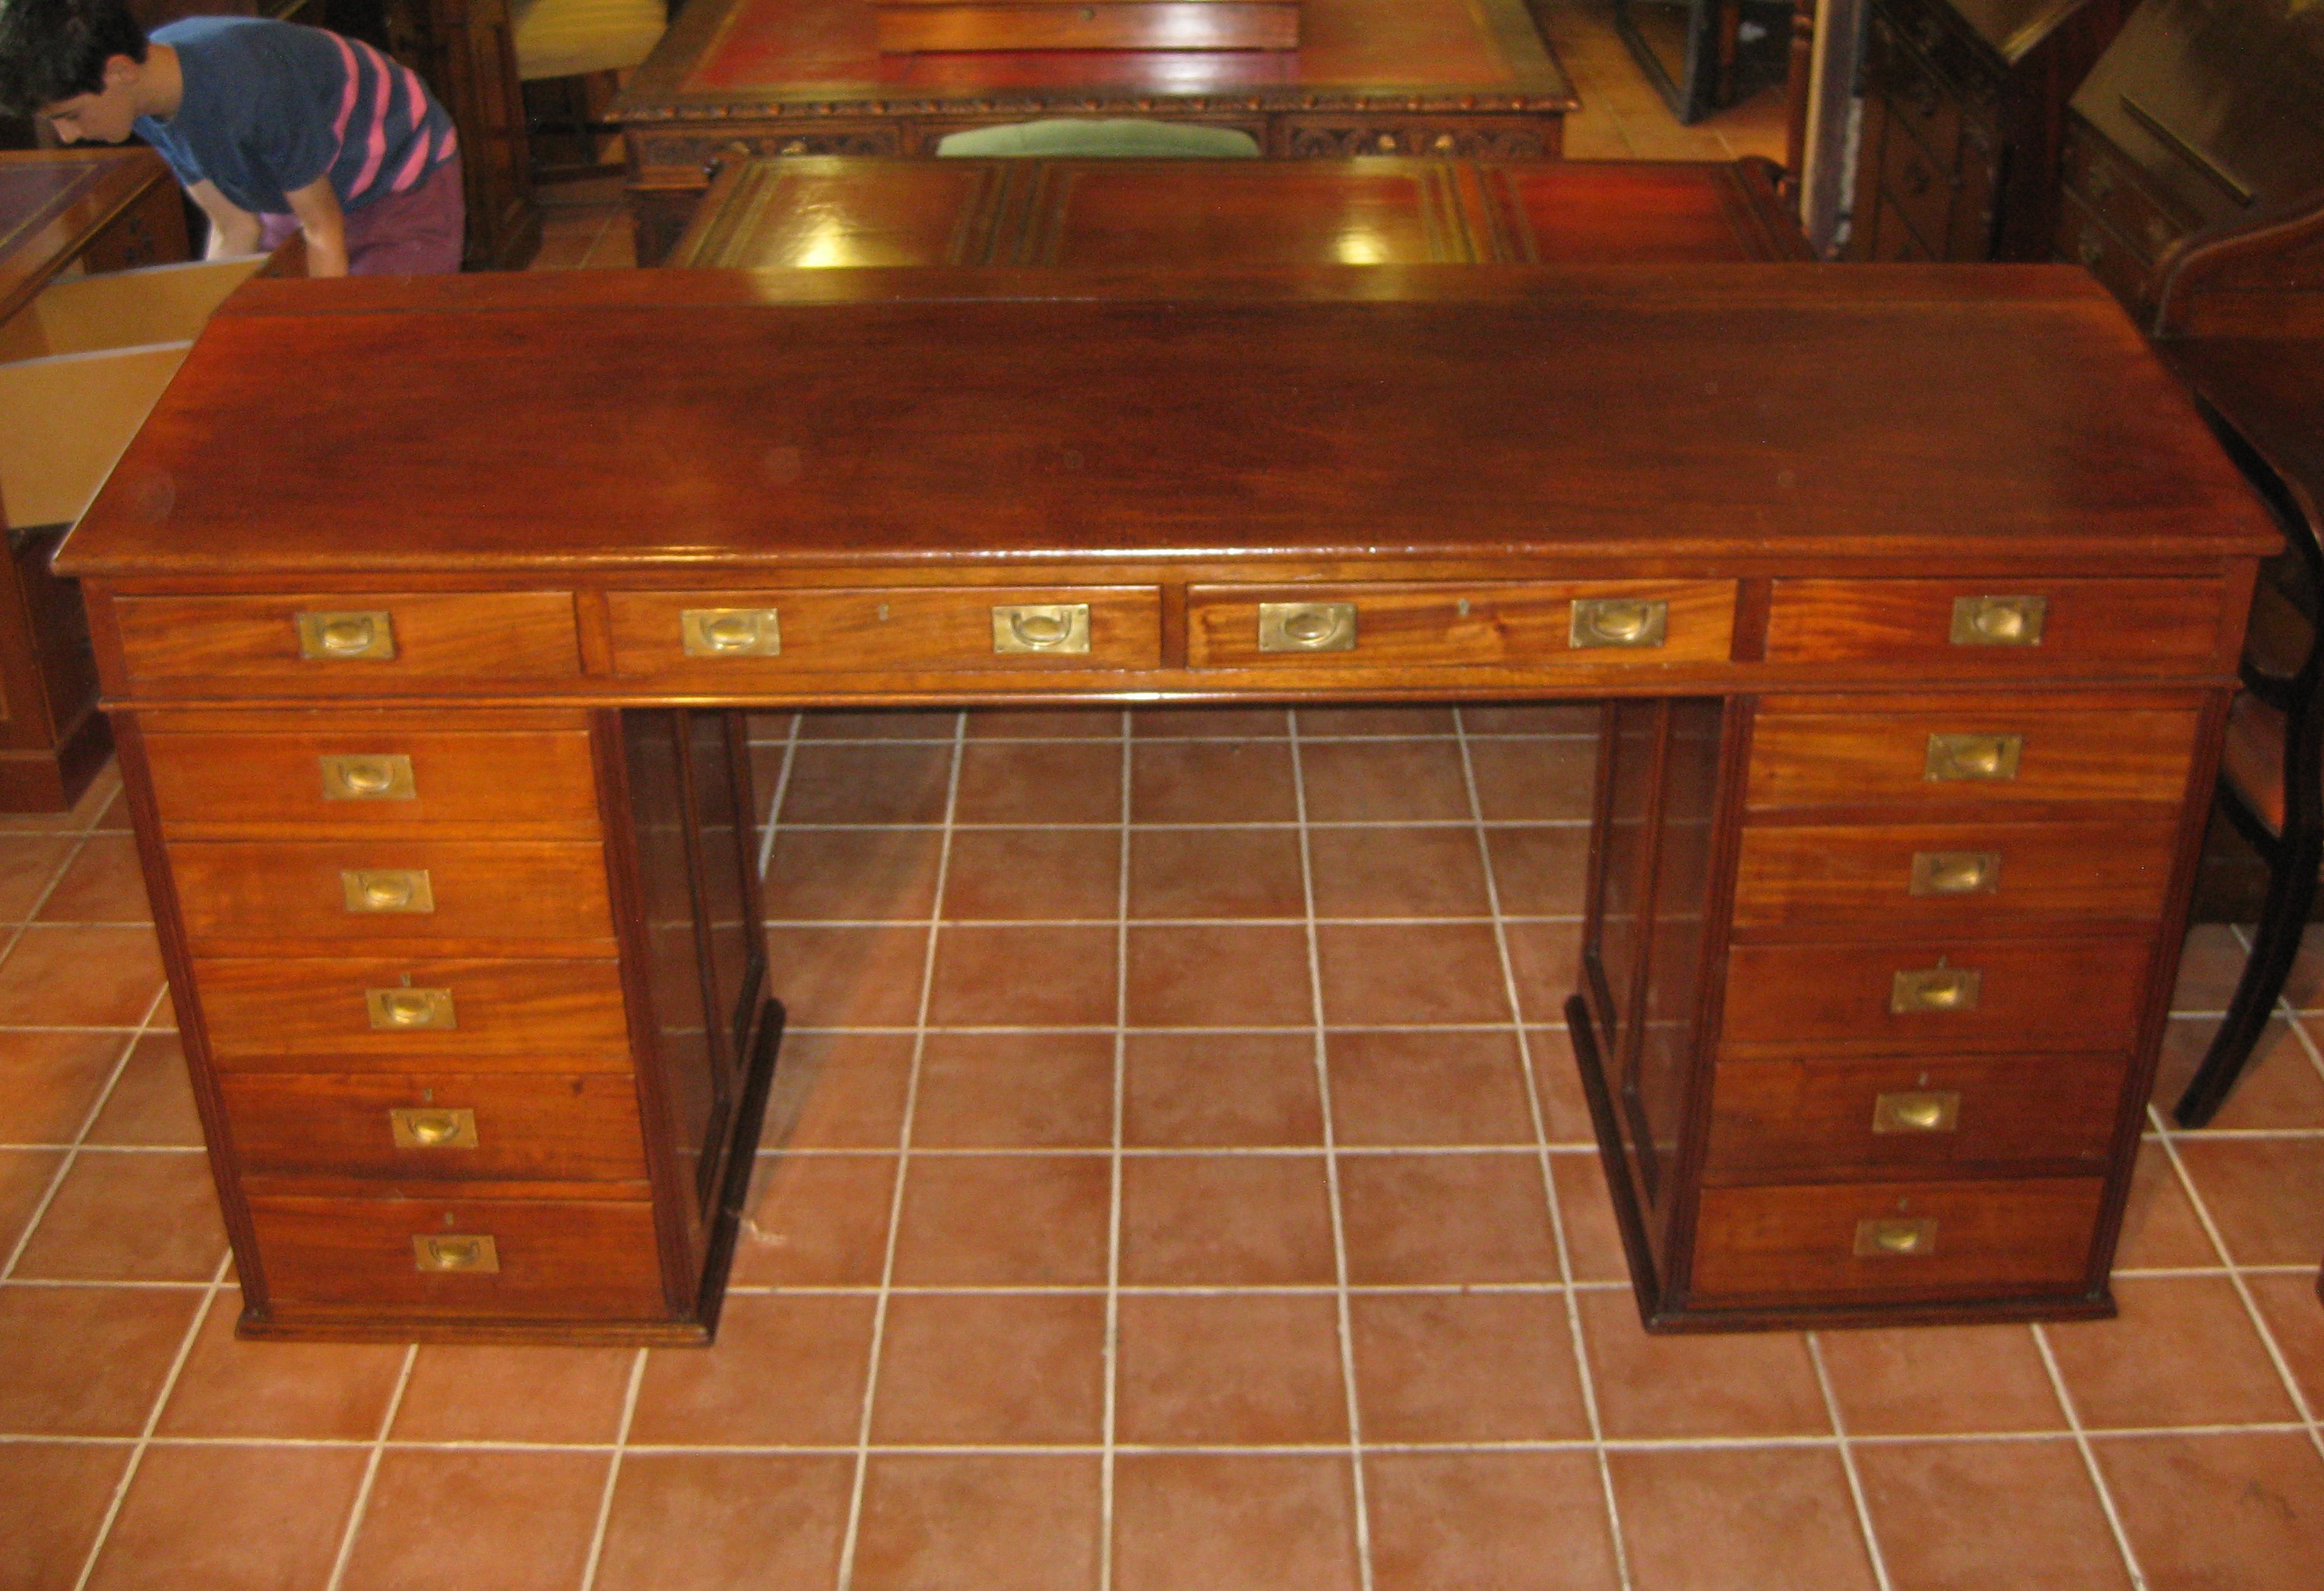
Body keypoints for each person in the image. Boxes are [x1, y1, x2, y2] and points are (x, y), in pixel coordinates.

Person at [0, 0, 464, 276]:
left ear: (119, 71)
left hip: (398, 176)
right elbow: (235, 226)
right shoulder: (142, 99)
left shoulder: (250, 89)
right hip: (304, 186)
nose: (67, 136)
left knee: (384, 339)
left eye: (70, 116)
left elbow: (323, 230)